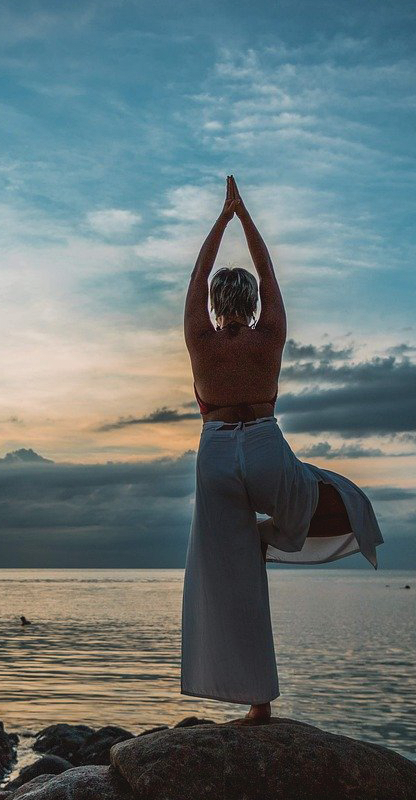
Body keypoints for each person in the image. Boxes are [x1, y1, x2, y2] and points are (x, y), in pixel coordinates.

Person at [180, 175, 384, 723]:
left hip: (218, 451)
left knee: (231, 574)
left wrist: (219, 219)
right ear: (250, 303)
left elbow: (197, 278)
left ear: (217, 304)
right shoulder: (268, 335)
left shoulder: (200, 340)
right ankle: (280, 536)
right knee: (307, 501)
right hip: (265, 445)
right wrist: (244, 215)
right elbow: (268, 275)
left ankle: (256, 700)